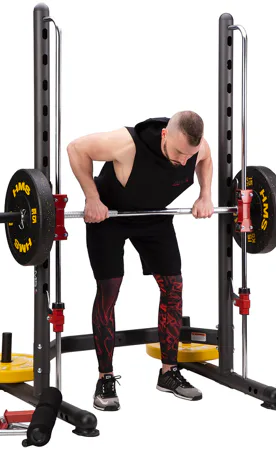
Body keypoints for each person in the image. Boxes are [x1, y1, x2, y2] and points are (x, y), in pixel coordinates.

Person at [66, 111, 214, 411]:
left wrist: (205, 195)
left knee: (173, 286)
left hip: (153, 217)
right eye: (179, 153)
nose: (184, 161)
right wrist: (92, 198)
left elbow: (206, 160)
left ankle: (169, 372)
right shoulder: (127, 144)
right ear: (165, 135)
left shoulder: (197, 148)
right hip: (109, 217)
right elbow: (76, 148)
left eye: (190, 155)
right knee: (109, 290)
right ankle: (105, 378)